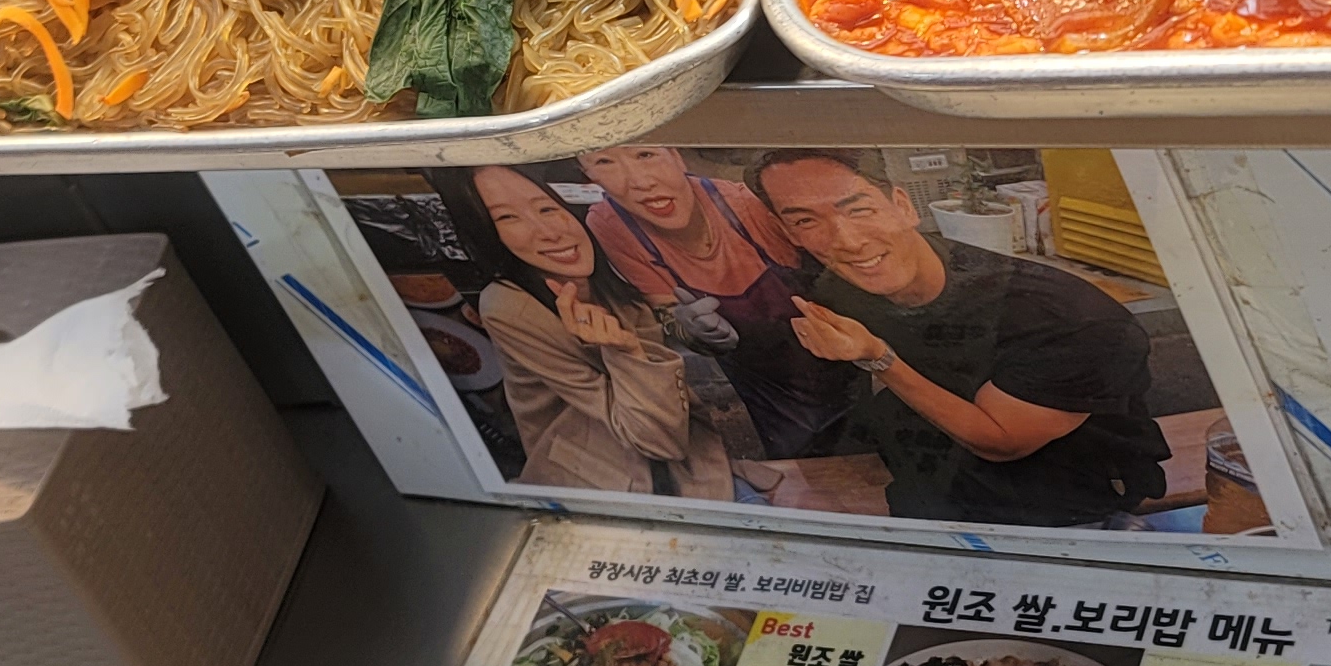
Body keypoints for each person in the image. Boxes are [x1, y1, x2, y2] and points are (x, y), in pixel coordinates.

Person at [750, 150, 1171, 527]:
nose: (847, 241)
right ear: (790, 233)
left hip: (1068, 500)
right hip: (932, 486)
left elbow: (1001, 442)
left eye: (860, 209)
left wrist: (878, 358)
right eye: (806, 220)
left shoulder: (1068, 319)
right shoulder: (839, 293)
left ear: (903, 206)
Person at [577, 143, 880, 512]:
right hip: (764, 389)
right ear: (590, 177)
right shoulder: (612, 225)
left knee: (873, 462)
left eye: (646, 155)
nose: (639, 181)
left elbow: (835, 264)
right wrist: (691, 330)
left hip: (843, 367)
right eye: (605, 162)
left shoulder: (744, 204)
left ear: (676, 156)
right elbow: (667, 310)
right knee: (810, 482)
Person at [433, 164, 735, 500]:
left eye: (546, 208)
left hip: (688, 462)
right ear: (486, 235)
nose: (548, 232)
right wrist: (625, 351)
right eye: (508, 218)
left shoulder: (607, 269)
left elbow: (660, 331)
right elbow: (657, 439)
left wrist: (692, 330)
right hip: (604, 483)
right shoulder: (509, 306)